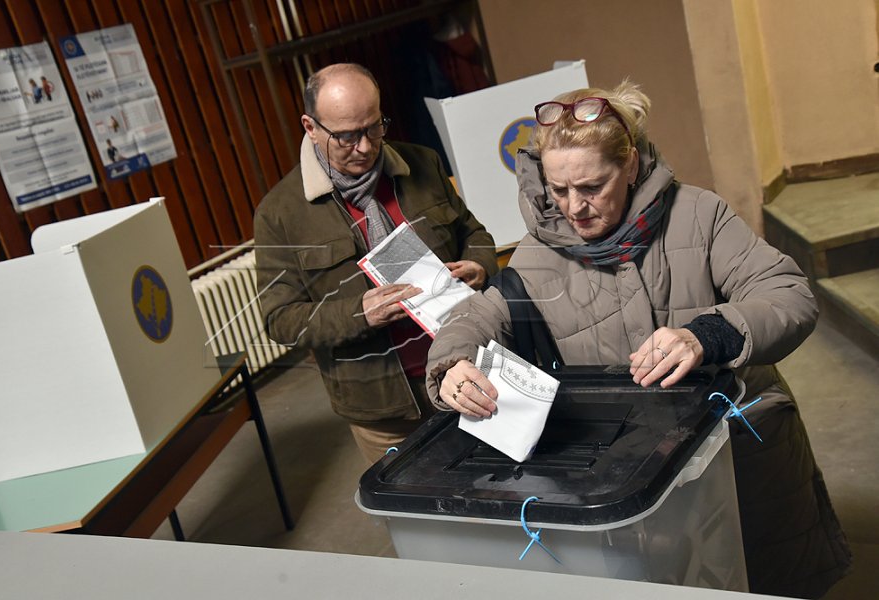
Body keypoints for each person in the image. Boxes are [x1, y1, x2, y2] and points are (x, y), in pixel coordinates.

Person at [425, 81, 851, 598]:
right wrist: (452, 363)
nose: (573, 208)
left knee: (769, 574)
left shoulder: (699, 215)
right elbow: (477, 315)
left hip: (741, 443)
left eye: (591, 187)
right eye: (558, 190)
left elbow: (788, 295)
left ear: (629, 165)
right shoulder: (540, 253)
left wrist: (709, 333)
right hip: (637, 471)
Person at [254, 63, 498, 465]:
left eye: (374, 127)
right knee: (419, 519)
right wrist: (358, 312)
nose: (365, 147)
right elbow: (280, 319)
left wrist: (478, 264)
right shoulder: (279, 214)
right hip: (383, 408)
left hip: (468, 369)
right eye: (347, 136)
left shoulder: (423, 163)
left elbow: (475, 234)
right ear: (310, 127)